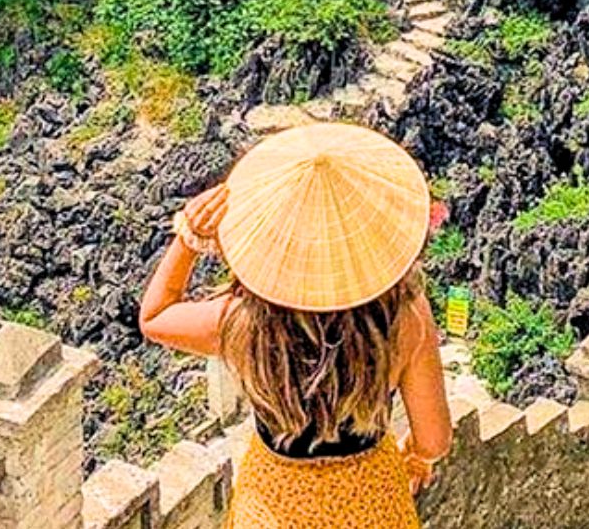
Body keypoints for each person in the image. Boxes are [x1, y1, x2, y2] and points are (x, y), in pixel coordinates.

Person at [139, 122, 454, 528]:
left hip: (274, 504)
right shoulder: (405, 315)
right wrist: (416, 457)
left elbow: (155, 316)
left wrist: (189, 238)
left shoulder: (245, 324)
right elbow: (435, 438)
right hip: (373, 502)